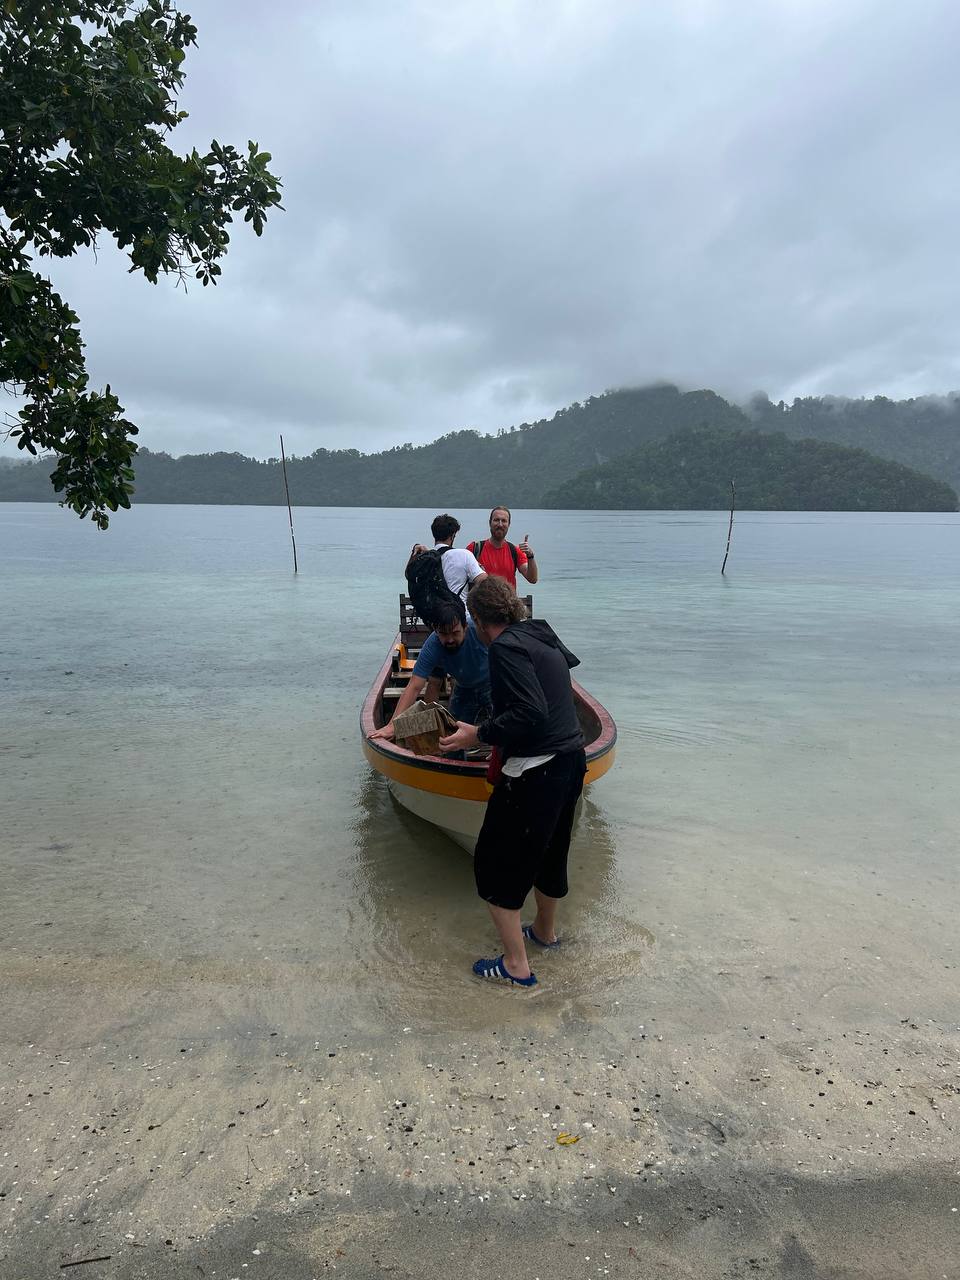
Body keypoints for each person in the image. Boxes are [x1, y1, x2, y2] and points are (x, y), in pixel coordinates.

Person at [439, 576, 585, 987]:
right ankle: (544, 932)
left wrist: (478, 734)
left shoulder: (504, 647)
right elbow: (556, 692)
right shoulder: (541, 633)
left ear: (480, 621)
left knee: (492, 864)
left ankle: (516, 966)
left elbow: (531, 711)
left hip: (536, 770)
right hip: (572, 759)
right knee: (551, 854)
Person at [368, 598, 491, 740]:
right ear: (436, 631)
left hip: (493, 684)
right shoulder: (433, 645)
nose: (450, 639)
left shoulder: (479, 630)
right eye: (444, 634)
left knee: (504, 730)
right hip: (464, 688)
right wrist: (392, 726)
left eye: (455, 633)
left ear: (465, 628)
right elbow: (414, 686)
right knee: (452, 737)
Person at [408, 513, 486, 606]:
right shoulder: (464, 555)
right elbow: (483, 580)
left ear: (434, 535)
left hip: (431, 616)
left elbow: (409, 575)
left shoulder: (426, 559)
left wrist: (416, 551)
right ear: (452, 536)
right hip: (459, 616)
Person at [467, 506, 538, 591]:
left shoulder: (515, 551)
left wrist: (530, 556)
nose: (500, 524)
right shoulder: (474, 549)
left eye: (504, 521)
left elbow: (532, 579)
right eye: (496, 520)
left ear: (509, 524)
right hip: (481, 603)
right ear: (490, 523)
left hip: (508, 603)